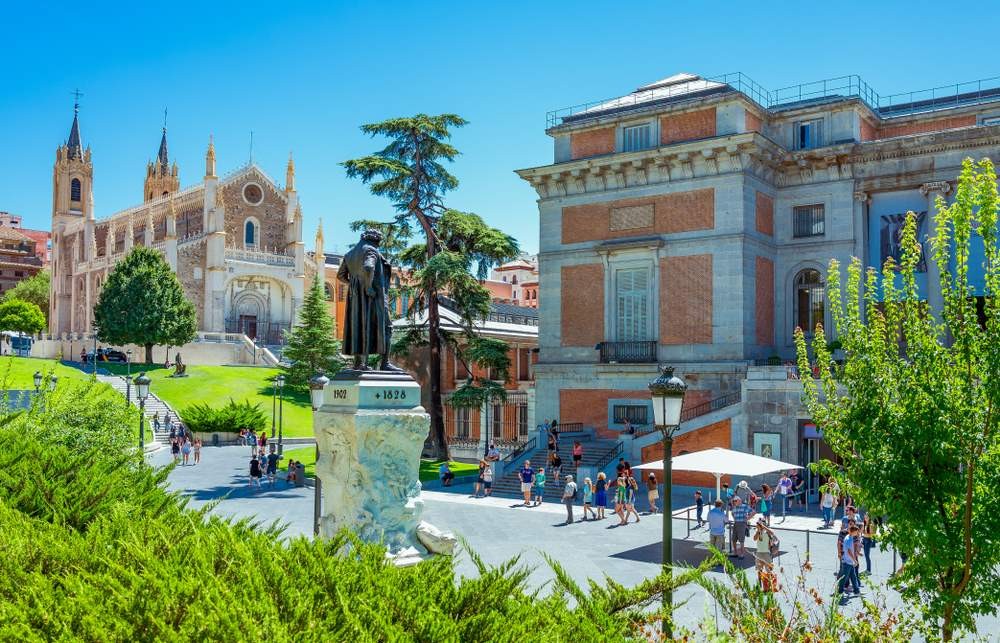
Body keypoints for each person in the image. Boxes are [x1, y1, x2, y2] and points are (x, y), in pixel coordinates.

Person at [837, 524, 861, 598]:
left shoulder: (849, 537)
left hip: (849, 562)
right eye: (856, 532)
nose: (857, 533)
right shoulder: (848, 539)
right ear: (853, 531)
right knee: (844, 578)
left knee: (853, 577)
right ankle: (840, 591)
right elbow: (849, 551)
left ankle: (856, 591)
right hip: (847, 562)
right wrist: (855, 560)